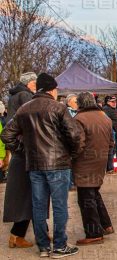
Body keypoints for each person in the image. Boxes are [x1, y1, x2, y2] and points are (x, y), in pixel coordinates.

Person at [1, 73, 81, 258]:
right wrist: (71, 154)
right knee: (59, 206)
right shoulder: (59, 107)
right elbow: (75, 135)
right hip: (58, 164)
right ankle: (60, 246)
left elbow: (6, 135)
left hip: (35, 165)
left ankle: (44, 247)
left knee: (38, 205)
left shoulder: (24, 109)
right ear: (52, 90)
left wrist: (23, 151)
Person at [73, 92, 114, 245]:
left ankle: (94, 233)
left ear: (80, 104)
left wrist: (70, 157)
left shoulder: (79, 119)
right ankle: (106, 225)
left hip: (85, 163)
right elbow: (111, 142)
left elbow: (78, 144)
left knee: (86, 198)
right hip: (100, 161)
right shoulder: (105, 117)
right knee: (94, 193)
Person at [2, 72, 37, 249]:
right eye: (35, 82)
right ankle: (18, 235)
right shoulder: (26, 96)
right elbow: (30, 121)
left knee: (25, 195)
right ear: (30, 83)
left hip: (19, 152)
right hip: (25, 152)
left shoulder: (14, 96)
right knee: (30, 195)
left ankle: (18, 235)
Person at [103, 96, 117, 174]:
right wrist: (114, 129)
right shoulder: (106, 109)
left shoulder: (112, 108)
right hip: (112, 132)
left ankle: (113, 166)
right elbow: (107, 121)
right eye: (112, 102)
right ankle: (110, 168)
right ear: (108, 102)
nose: (114, 103)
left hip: (116, 131)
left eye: (115, 102)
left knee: (114, 150)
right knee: (111, 150)